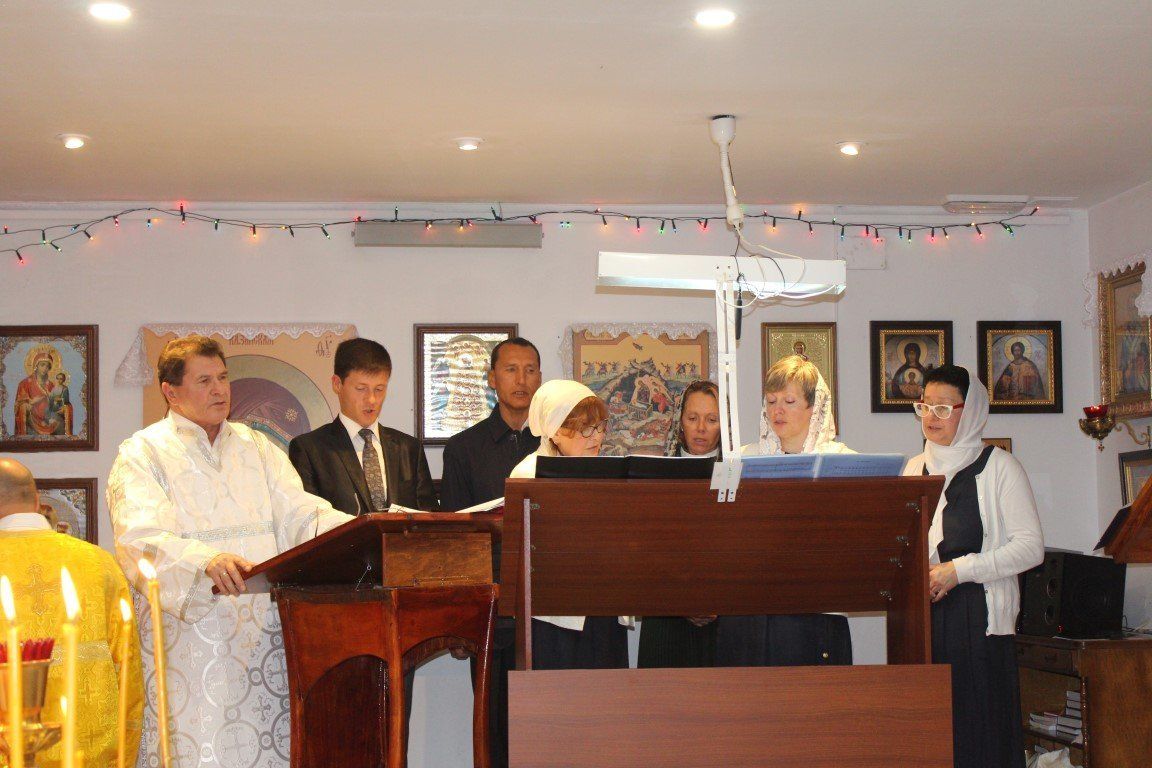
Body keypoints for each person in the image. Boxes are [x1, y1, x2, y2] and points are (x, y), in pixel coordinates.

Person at [107, 335, 355, 768]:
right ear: (170, 391)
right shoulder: (142, 453)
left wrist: (354, 530)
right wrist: (205, 561)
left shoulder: (256, 446)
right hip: (191, 643)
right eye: (204, 381)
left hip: (263, 637)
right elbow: (139, 538)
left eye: (223, 378)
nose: (220, 389)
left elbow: (300, 514)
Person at [904, 365, 1043, 768]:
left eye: (943, 408)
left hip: (977, 619)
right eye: (925, 406)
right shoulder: (913, 468)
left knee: (978, 731)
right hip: (924, 619)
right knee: (931, 733)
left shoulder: (1000, 467)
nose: (931, 417)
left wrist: (958, 571)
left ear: (972, 411)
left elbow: (1030, 549)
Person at [0, 457, 143, 768]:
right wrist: (125, 754)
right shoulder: (99, 564)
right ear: (37, 500)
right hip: (91, 755)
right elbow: (129, 670)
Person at [440, 337, 542, 768]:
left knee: (549, 732)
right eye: (511, 369)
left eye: (530, 370)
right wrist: (460, 621)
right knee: (495, 735)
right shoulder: (463, 449)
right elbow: (456, 543)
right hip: (492, 614)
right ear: (492, 379)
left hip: (550, 615)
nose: (522, 379)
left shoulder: (557, 444)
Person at [715, 355, 854, 667]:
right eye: (771, 400)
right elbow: (716, 531)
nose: (777, 410)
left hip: (814, 617)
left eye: (789, 401)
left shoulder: (844, 462)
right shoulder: (738, 461)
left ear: (813, 406)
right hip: (746, 618)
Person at [509, 380, 629, 670]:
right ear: (555, 430)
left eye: (600, 427)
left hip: (604, 606)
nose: (596, 437)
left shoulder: (607, 469)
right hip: (554, 614)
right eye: (585, 428)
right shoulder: (528, 472)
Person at [289, 338, 438, 514]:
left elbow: (430, 519)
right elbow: (308, 520)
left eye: (379, 389)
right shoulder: (309, 450)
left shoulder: (409, 448)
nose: (371, 400)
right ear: (337, 384)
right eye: (361, 389)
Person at [639, 380, 722, 669]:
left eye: (711, 419)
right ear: (680, 421)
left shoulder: (739, 476)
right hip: (665, 621)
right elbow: (646, 554)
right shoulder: (656, 476)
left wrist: (715, 602)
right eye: (692, 418)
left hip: (724, 624)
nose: (701, 428)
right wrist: (681, 602)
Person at [13, 350, 65, 436]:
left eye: (47, 366)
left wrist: (61, 406)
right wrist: (30, 402)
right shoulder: (25, 383)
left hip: (48, 417)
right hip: (32, 419)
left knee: (60, 422)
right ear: (36, 366)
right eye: (42, 365)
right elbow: (19, 404)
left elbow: (56, 403)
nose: (45, 368)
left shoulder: (51, 385)